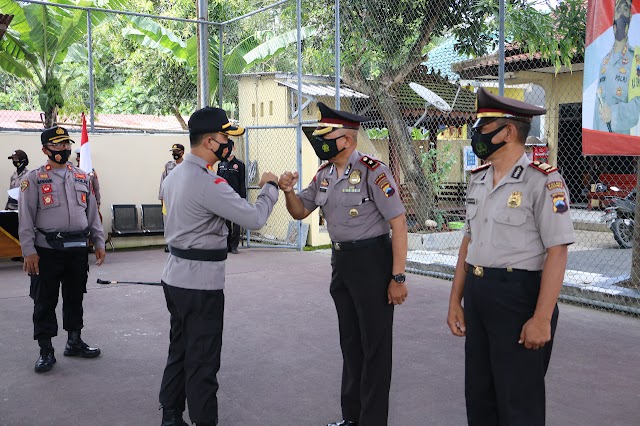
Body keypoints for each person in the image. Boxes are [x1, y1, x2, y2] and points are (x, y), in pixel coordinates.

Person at [446, 88, 576, 425]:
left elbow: (557, 251)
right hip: (478, 295)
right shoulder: (478, 180)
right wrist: (455, 300)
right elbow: (468, 242)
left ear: (508, 131)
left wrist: (542, 318)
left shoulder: (543, 181)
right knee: (479, 395)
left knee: (518, 401)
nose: (477, 134)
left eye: (484, 127)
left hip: (518, 298)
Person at [278, 102, 408, 426]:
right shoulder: (324, 174)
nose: (320, 139)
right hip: (342, 264)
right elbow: (299, 211)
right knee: (350, 344)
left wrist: (398, 277)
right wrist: (288, 191)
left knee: (375, 348)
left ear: (347, 140)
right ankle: (352, 418)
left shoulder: (372, 171)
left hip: (373, 263)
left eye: (326, 133)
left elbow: (399, 223)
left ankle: (373, 421)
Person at [158, 107, 279, 426]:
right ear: (211, 141)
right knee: (203, 361)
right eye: (226, 138)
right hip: (201, 285)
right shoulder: (208, 183)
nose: (230, 145)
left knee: (180, 349)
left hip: (174, 276)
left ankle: (170, 416)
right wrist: (270, 187)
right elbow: (254, 219)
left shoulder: (174, 175)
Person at [18, 126, 106, 374]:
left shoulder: (81, 176)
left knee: (75, 296)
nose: (64, 149)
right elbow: (25, 219)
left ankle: (74, 341)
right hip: (46, 250)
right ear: (45, 149)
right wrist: (28, 251)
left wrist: (99, 242)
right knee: (44, 300)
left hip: (77, 248)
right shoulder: (34, 179)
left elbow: (92, 215)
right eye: (58, 145)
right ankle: (46, 350)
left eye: (67, 144)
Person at [594, 0, 640, 134]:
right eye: (618, 10)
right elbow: (597, 106)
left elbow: (638, 104)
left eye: (625, 10)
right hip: (601, 143)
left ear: (630, 16)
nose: (621, 15)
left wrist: (613, 114)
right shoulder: (604, 62)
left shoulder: (636, 58)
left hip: (624, 143)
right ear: (613, 17)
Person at [217, 141, 247, 254]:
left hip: (236, 198)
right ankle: (227, 245)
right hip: (225, 198)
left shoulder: (239, 164)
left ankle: (234, 245)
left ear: (233, 148)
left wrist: (243, 198)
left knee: (236, 222)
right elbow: (217, 181)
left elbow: (242, 182)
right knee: (226, 223)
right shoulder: (221, 164)